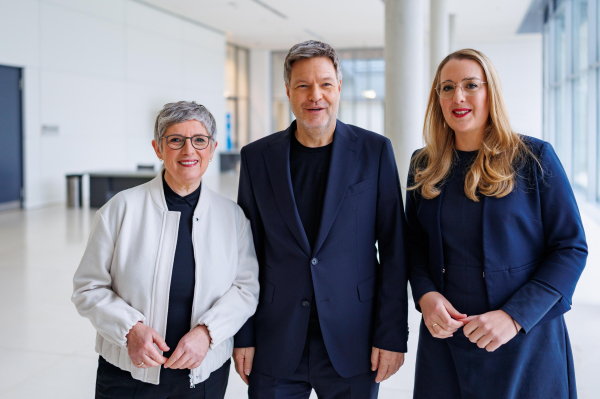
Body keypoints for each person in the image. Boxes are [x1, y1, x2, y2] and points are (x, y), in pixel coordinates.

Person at [406, 49, 588, 399]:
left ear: (491, 92)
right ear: (437, 99)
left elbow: (570, 248)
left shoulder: (534, 158)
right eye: (447, 88)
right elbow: (412, 244)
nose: (457, 96)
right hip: (446, 343)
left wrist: (514, 317)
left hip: (524, 340)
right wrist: (426, 296)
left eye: (470, 85)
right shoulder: (424, 164)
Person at [233, 40, 408, 399]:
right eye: (303, 85)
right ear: (288, 91)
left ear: (339, 87)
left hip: (353, 340)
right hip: (276, 339)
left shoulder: (374, 151)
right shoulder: (257, 158)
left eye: (326, 84)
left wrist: (391, 335)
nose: (316, 95)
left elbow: (394, 248)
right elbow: (245, 254)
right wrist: (244, 335)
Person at [72, 101, 260, 399]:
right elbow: (88, 287)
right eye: (176, 140)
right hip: (127, 374)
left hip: (203, 375)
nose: (189, 151)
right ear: (158, 148)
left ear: (212, 149)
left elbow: (245, 288)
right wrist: (130, 329)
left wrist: (207, 333)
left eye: (199, 140)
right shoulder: (121, 209)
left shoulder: (232, 216)